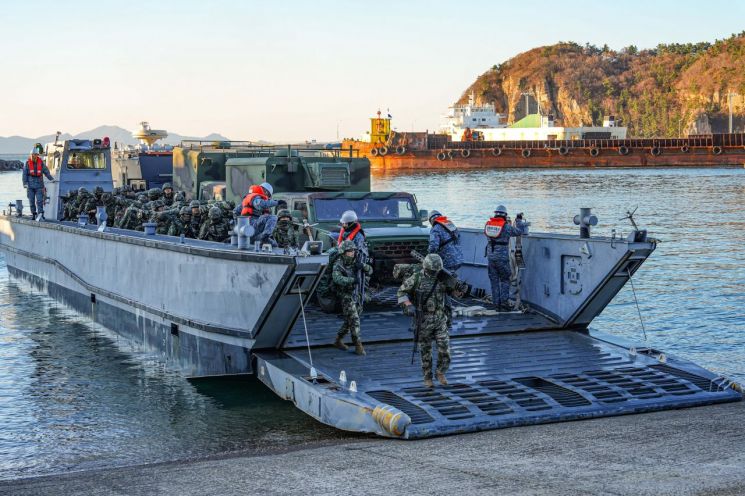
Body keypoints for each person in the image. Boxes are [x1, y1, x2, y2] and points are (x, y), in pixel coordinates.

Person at [397, 253, 457, 388]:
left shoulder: (442, 278)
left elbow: (453, 292)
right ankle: (427, 377)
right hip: (424, 319)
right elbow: (401, 292)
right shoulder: (417, 278)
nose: (434, 273)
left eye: (436, 271)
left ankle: (440, 371)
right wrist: (408, 305)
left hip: (440, 317)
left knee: (445, 349)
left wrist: (456, 287)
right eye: (432, 271)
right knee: (425, 350)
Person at [332, 239, 373, 355]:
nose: (352, 253)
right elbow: (337, 278)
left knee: (349, 320)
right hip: (346, 295)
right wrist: (352, 280)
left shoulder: (358, 260)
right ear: (343, 252)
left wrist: (364, 266)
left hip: (358, 293)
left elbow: (370, 271)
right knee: (354, 320)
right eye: (349, 251)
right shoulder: (338, 264)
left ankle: (338, 340)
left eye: (353, 251)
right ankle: (358, 345)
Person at [484, 205, 528, 311]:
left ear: (495, 214)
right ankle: (503, 304)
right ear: (505, 215)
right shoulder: (506, 227)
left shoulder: (488, 225)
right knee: (504, 280)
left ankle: (496, 304)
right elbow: (519, 232)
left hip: (491, 258)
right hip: (502, 259)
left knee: (494, 281)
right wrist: (519, 221)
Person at [22, 147, 54, 219]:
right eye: (33, 155)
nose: (34, 156)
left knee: (40, 201)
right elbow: (24, 174)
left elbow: (46, 172)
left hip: (39, 185)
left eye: (36, 154)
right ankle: (33, 214)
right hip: (30, 186)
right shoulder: (27, 163)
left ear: (37, 155)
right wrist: (25, 183)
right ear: (31, 155)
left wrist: (51, 179)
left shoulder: (41, 163)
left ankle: (40, 214)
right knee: (31, 201)